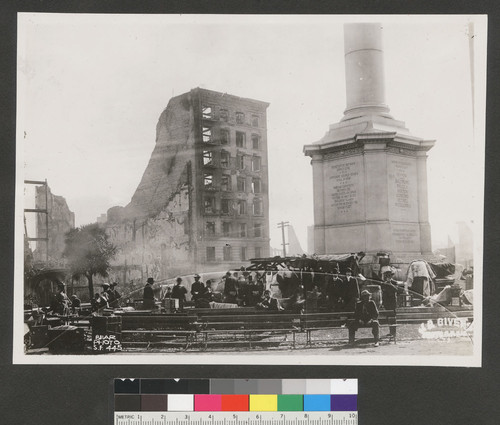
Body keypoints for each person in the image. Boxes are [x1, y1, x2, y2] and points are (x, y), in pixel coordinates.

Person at [380, 269, 398, 340]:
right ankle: (391, 332)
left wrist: (390, 284)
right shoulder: (383, 284)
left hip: (392, 303)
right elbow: (383, 294)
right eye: (387, 277)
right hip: (387, 303)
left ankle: (394, 333)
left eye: (390, 277)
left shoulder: (394, 283)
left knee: (393, 318)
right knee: (388, 318)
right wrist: (383, 303)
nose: (388, 278)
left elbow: (397, 290)